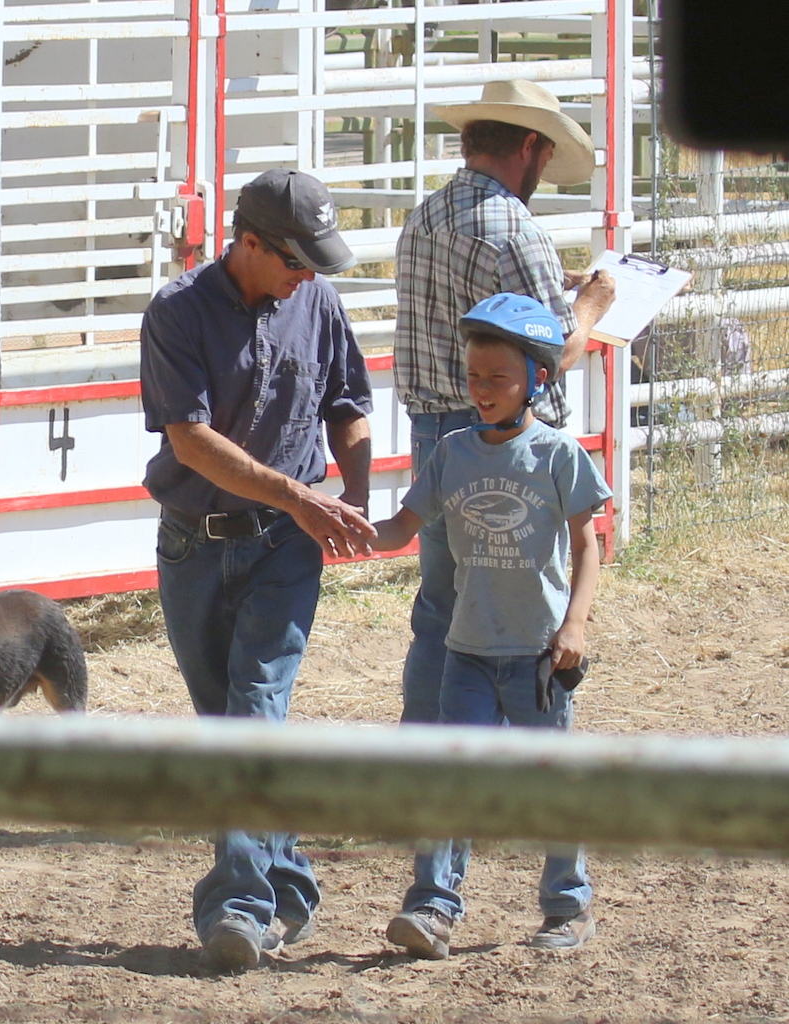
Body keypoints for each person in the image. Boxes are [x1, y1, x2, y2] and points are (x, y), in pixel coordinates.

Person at [140, 168, 376, 973]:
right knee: (232, 723)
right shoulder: (177, 312)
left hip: (283, 546)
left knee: (252, 710)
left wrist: (352, 494)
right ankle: (289, 884)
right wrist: (302, 497)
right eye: (296, 261)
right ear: (247, 243)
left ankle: (237, 906)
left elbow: (347, 405)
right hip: (196, 543)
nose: (306, 276)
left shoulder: (318, 302)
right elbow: (190, 440)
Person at [371, 293, 612, 957]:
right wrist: (348, 528)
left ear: (537, 378)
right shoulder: (452, 453)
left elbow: (587, 545)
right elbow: (402, 526)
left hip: (538, 654)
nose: (481, 390)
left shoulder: (558, 455)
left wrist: (574, 625)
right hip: (467, 652)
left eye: (497, 378)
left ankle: (568, 906)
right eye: (474, 376)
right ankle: (431, 906)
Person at [394, 78, 616, 726]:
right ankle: (524, 733)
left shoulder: (425, 215)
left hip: (436, 427)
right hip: (505, 437)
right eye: (544, 154)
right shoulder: (513, 229)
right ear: (528, 146)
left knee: (442, 604)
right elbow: (554, 350)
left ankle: (425, 744)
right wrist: (592, 303)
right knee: (518, 595)